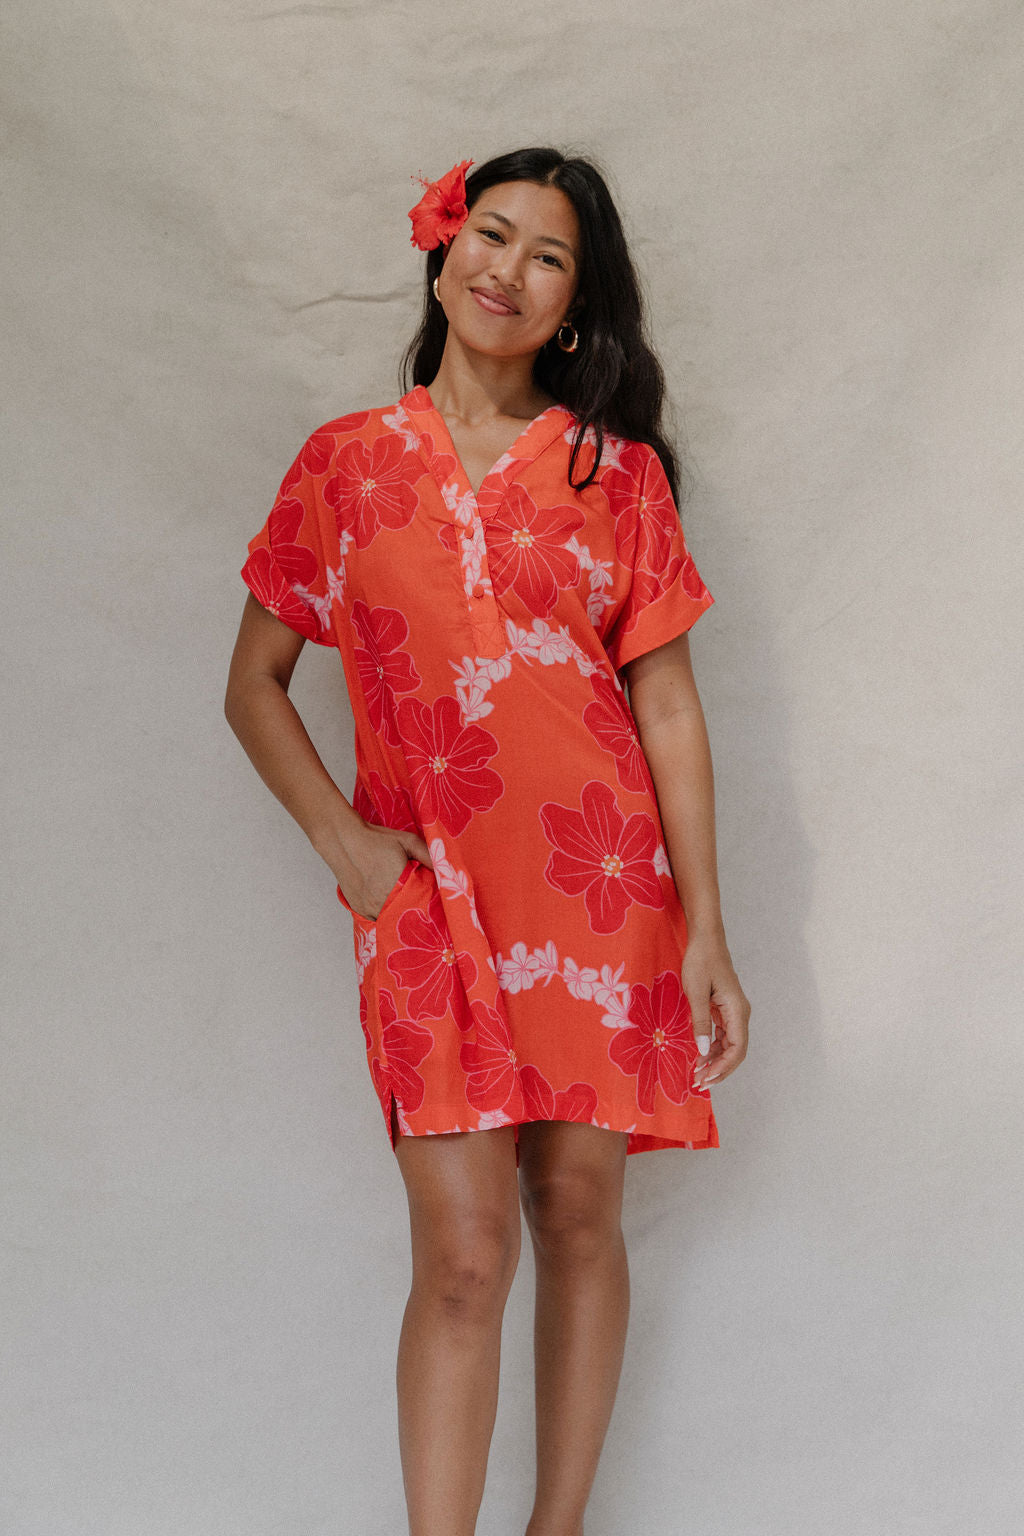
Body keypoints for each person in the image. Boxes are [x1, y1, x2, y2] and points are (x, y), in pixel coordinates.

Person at [225, 146, 750, 1536]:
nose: (508, 270)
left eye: (549, 256)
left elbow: (668, 707)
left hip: (598, 892)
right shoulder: (343, 465)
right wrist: (345, 842)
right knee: (462, 1256)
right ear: (444, 248)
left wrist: (706, 928)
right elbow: (253, 683)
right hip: (425, 899)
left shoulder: (612, 473)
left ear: (577, 306)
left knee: (577, 1218)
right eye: (492, 234)